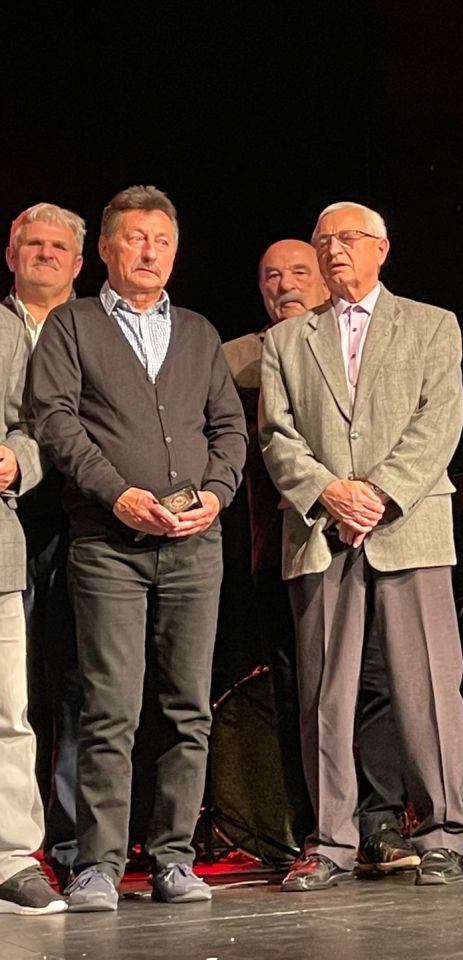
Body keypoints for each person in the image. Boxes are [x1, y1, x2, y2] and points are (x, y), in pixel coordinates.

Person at [28, 185, 247, 911]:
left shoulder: (199, 332)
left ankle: (175, 858)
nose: (149, 252)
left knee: (187, 709)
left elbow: (229, 428)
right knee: (109, 708)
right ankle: (98, 863)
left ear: (175, 253)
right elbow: (56, 422)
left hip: (194, 546)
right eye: (135, 238)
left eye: (161, 240)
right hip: (107, 545)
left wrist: (216, 493)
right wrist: (117, 493)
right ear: (106, 249)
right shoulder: (73, 325)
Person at [259, 201, 463, 890]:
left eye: (348, 238)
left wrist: (378, 494)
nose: (334, 250)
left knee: (428, 686)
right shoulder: (287, 340)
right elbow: (277, 435)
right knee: (327, 692)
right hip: (323, 531)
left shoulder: (432, 324)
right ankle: (331, 842)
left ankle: (443, 834)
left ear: (382, 248)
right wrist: (330, 492)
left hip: (409, 524)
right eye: (324, 241)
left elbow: (441, 420)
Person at [4, 202, 85, 883]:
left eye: (58, 247)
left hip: (81, 519)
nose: (45, 254)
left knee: (80, 684)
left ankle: (72, 845)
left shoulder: (98, 330)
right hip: (7, 521)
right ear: (11, 254)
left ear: (80, 262)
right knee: (11, 689)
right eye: (33, 243)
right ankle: (13, 846)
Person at [0, 303, 62, 915]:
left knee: (7, 715)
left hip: (0, 550)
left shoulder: (8, 332)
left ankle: (10, 860)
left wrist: (18, 458)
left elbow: (32, 423)